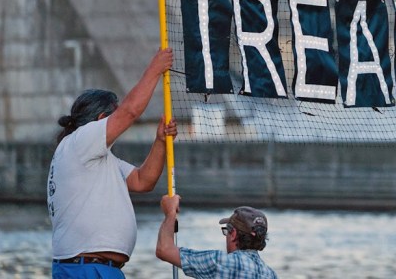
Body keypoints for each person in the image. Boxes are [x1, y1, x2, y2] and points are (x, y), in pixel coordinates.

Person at [47, 47, 174, 278]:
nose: (120, 124)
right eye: (113, 116)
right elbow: (130, 112)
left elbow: (142, 181)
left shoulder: (101, 158)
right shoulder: (81, 140)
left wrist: (160, 141)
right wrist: (155, 69)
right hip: (85, 268)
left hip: (99, 268)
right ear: (100, 120)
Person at [156, 194, 278, 278]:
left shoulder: (221, 262)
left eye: (226, 231)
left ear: (233, 234)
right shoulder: (271, 275)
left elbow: (164, 250)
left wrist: (170, 213)